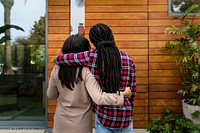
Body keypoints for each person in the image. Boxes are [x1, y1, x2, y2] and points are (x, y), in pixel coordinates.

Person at [54, 23, 136, 133]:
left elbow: (59, 59)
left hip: (104, 116)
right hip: (125, 116)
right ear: (111, 36)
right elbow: (132, 91)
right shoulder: (127, 58)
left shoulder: (90, 56)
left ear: (93, 42)